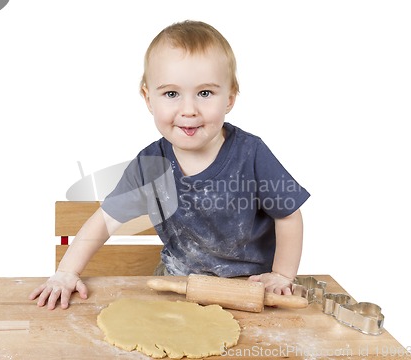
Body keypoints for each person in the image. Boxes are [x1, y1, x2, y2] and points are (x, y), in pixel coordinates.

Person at [29, 20, 310, 310]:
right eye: (171, 94)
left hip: (250, 287)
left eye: (205, 93)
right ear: (148, 98)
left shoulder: (251, 154)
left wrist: (281, 274)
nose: (188, 110)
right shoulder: (149, 165)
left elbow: (289, 214)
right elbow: (105, 220)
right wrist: (66, 273)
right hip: (177, 282)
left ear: (230, 98)